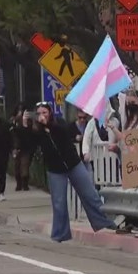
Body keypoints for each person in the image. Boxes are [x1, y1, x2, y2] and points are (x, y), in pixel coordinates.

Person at [32, 102, 115, 242]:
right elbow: (29, 141)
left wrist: (50, 126)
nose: (42, 116)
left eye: (44, 113)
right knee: (59, 202)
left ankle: (103, 222)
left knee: (89, 194)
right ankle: (60, 233)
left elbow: (64, 133)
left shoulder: (59, 123)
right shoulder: (36, 130)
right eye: (39, 113)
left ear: (50, 113)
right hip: (55, 169)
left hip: (73, 164)